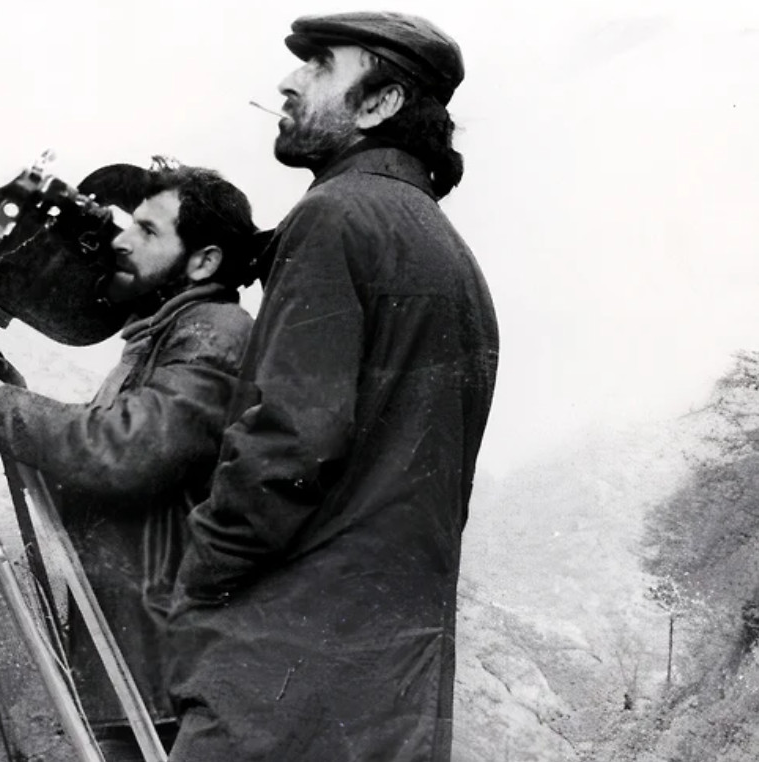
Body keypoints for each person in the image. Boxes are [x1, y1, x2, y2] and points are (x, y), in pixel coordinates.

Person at [166, 12, 500, 762]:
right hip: (391, 683)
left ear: (380, 103)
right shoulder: (448, 251)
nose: (288, 81)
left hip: (281, 676)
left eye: (319, 64)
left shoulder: (334, 218)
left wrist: (202, 575)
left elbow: (286, 443)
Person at [0, 164, 257, 760]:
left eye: (148, 231)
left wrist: (0, 406)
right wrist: (4, 397)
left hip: (166, 663)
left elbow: (128, 451)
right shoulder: (162, 337)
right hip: (138, 660)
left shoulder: (215, 330)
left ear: (204, 261)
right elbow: (94, 474)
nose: (122, 240)